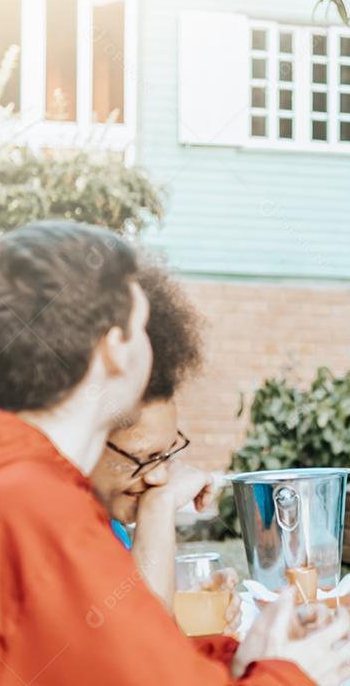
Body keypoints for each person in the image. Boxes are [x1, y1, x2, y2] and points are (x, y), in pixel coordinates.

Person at [0, 221, 350, 685]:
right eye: (142, 326)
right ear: (115, 348)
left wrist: (236, 662)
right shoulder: (31, 504)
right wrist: (289, 674)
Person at [89, 263, 238, 629]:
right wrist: (160, 504)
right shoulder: (43, 526)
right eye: (144, 458)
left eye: (168, 452)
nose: (159, 475)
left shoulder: (110, 526)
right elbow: (142, 639)